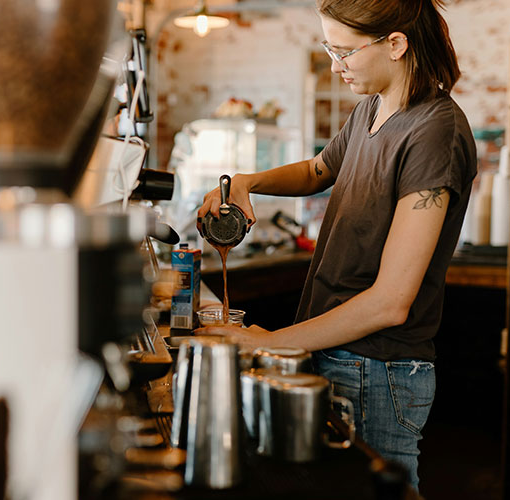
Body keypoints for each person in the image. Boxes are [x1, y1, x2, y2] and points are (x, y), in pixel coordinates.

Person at [195, 0, 477, 492]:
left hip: (379, 371)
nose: (334, 64)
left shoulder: (435, 131)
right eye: (330, 48)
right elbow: (317, 171)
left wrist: (268, 341)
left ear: (395, 44)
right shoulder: (371, 108)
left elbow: (391, 302)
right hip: (337, 352)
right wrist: (245, 181)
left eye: (344, 51)